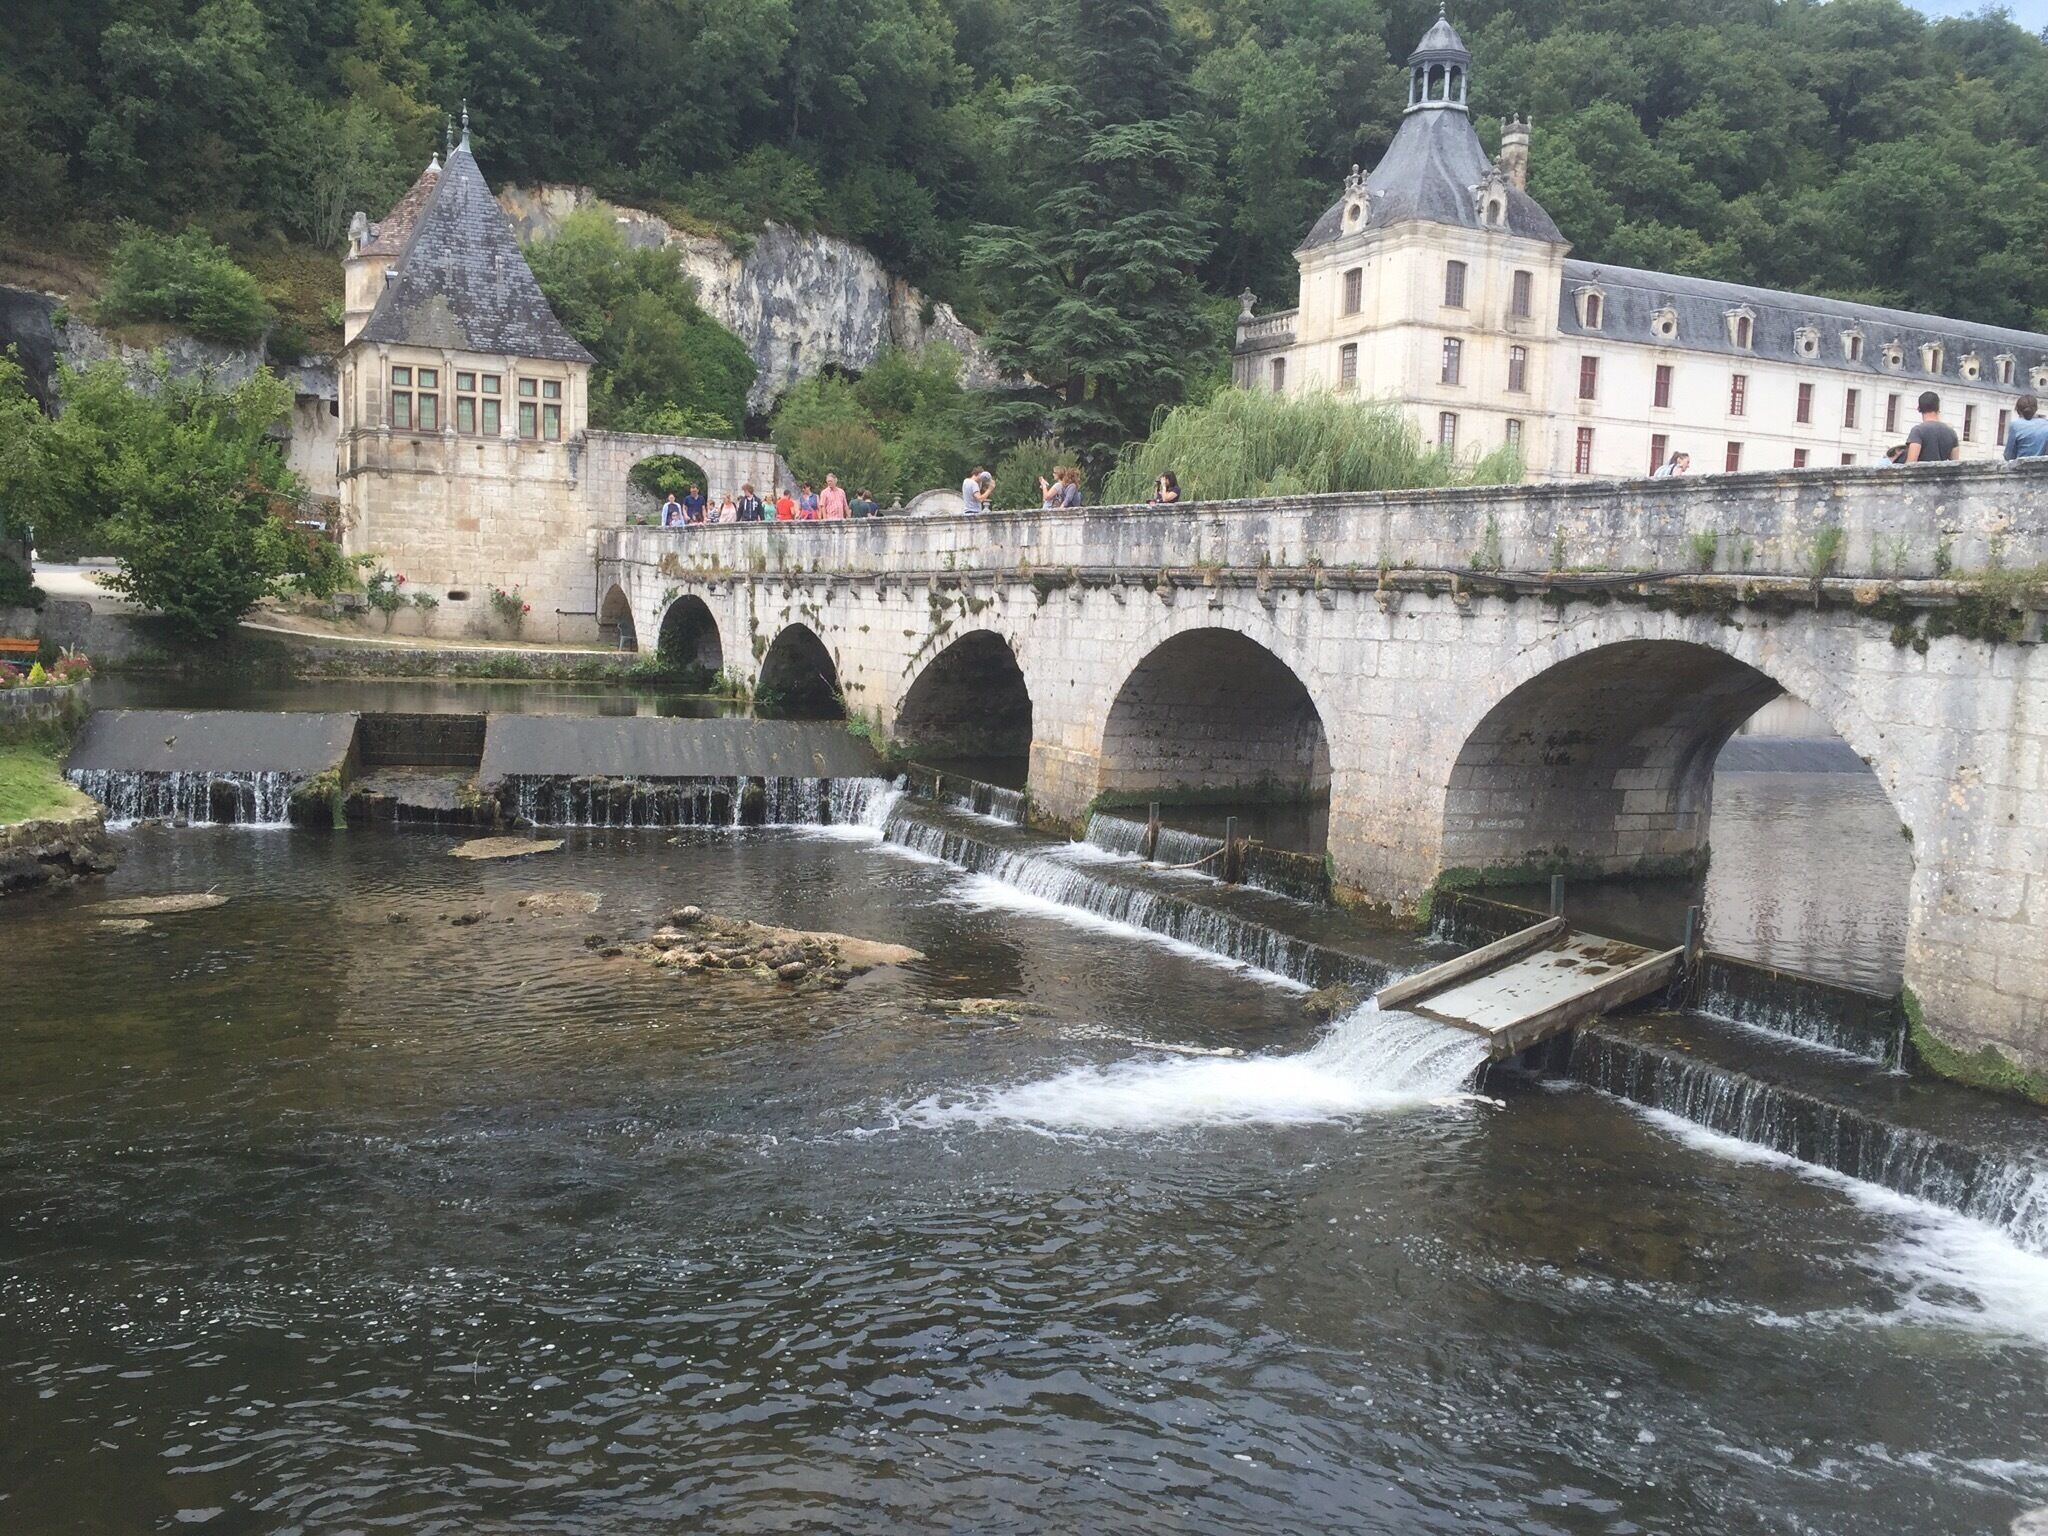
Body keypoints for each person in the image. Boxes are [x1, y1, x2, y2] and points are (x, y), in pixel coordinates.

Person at [1905, 392, 1960, 464]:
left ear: (1919, 408)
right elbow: (1955, 463)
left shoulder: (1918, 431)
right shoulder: (1952, 432)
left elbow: (1911, 463)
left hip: (1923, 471)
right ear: (1938, 408)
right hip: (1942, 471)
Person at [2004, 395, 2048, 460]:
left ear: (2018, 410)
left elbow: (2008, 455)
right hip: (2042, 464)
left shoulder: (2015, 425)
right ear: (2036, 409)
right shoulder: (2046, 424)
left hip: (2021, 465)